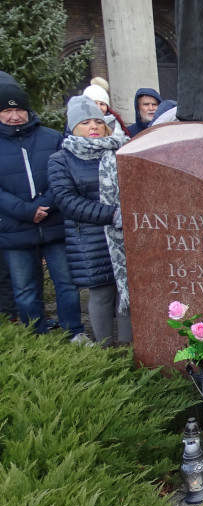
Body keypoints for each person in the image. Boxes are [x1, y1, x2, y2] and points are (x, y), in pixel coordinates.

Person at [0, 81, 86, 340]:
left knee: (67, 285)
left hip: (54, 224)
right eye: (6, 111)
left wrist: (45, 205)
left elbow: (64, 175)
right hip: (15, 229)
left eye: (19, 110)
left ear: (28, 110)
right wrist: (27, 211)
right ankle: (36, 338)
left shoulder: (51, 138)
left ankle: (75, 332)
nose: (14, 116)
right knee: (25, 290)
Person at [48, 96, 132, 346]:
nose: (93, 126)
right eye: (85, 122)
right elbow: (67, 201)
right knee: (102, 294)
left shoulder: (121, 150)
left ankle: (129, 350)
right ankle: (106, 351)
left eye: (98, 121)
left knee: (127, 294)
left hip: (124, 234)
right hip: (90, 238)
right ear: (73, 127)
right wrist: (113, 215)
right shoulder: (61, 159)